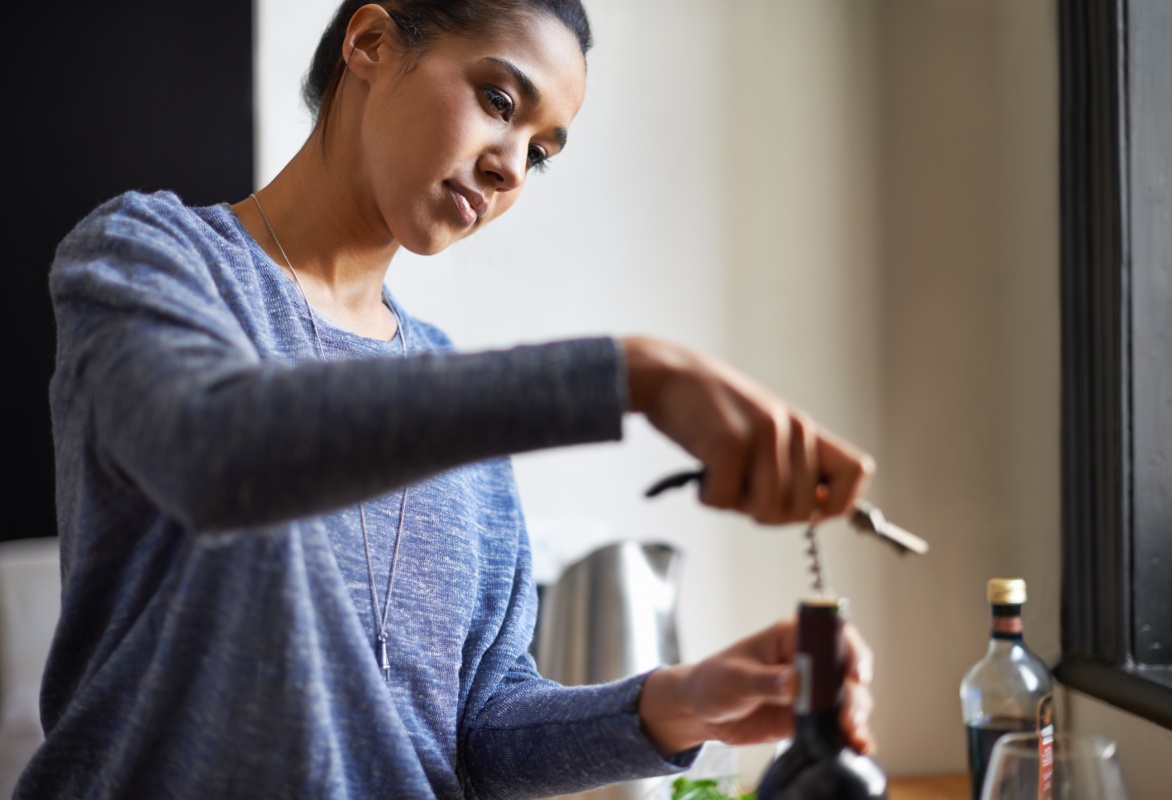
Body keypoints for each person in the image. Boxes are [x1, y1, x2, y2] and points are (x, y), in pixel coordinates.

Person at [17, 1, 878, 797]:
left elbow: (480, 732)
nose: (510, 168)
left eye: (540, 152)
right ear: (371, 44)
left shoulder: (454, 400)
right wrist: (629, 378)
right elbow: (217, 456)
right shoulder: (149, 259)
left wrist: (678, 703)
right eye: (500, 101)